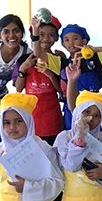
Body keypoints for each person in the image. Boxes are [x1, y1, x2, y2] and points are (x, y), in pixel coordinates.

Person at [33, 20, 102, 129]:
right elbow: (38, 53)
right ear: (62, 44)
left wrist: (95, 49)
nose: (71, 42)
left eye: (75, 38)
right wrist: (35, 32)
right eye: (66, 40)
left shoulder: (96, 59)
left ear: (84, 41)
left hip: (93, 109)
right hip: (71, 110)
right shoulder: (61, 63)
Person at [14, 15, 63, 144]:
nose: (46, 39)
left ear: (57, 38)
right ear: (34, 35)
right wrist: (23, 69)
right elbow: (18, 88)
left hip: (52, 117)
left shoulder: (58, 60)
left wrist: (50, 75)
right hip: (31, 116)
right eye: (41, 35)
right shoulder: (23, 60)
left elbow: (61, 90)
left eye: (51, 35)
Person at [0, 15, 31, 103]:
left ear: (22, 33)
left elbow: (19, 88)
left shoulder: (27, 54)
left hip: (5, 98)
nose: (12, 35)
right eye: (6, 32)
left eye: (16, 31)